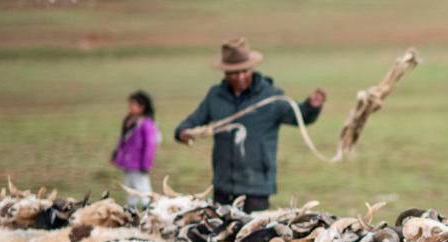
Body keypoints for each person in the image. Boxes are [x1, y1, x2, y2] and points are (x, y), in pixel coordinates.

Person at [174, 37, 327, 212]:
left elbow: (300, 116)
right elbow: (192, 121)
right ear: (225, 72)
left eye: (244, 71)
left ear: (252, 68)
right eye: (234, 73)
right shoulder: (215, 96)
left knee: (253, 230)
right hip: (223, 185)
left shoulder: (271, 96)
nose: (240, 77)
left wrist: (311, 106)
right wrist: (182, 133)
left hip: (257, 186)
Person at [112, 90, 160, 208]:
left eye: (134, 104)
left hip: (139, 163)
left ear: (142, 107)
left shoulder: (147, 124)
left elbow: (150, 145)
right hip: (128, 161)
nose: (130, 107)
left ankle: (147, 207)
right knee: (129, 186)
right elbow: (122, 139)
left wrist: (146, 164)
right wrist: (117, 154)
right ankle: (131, 208)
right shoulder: (129, 121)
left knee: (142, 186)